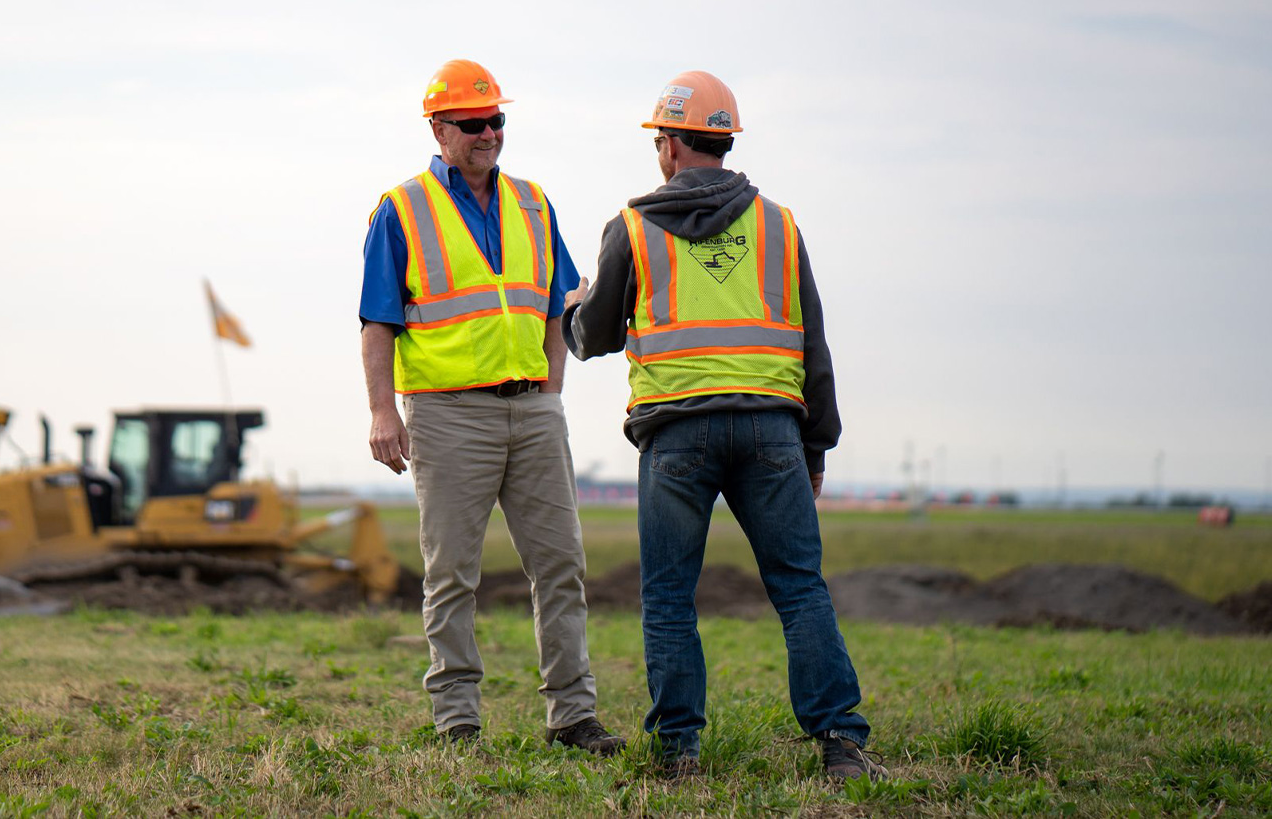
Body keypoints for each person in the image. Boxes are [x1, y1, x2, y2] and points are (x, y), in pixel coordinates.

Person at [562, 71, 882, 779]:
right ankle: (842, 747)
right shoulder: (778, 224)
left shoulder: (633, 226)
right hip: (772, 434)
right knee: (800, 588)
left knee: (669, 599)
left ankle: (679, 757)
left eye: (660, 140)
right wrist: (816, 444)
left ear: (674, 145)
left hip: (675, 438)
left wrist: (574, 309)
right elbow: (812, 342)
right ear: (725, 142)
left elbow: (596, 336)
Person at [359, 59, 624, 754]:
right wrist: (383, 413)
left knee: (561, 564)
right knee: (451, 573)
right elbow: (377, 322)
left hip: (532, 412)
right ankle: (458, 722)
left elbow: (559, 303)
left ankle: (573, 716)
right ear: (440, 128)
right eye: (474, 123)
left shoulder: (534, 203)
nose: (489, 133)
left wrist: (551, 385)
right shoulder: (402, 209)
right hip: (448, 418)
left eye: (497, 120)